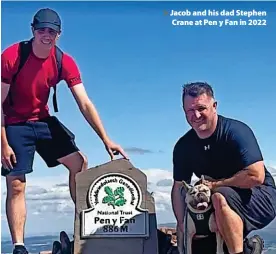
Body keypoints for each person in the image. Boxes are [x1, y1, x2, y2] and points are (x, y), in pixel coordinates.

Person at [1, 8, 128, 254]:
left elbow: (84, 103)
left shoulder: (63, 61)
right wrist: (2, 144)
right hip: (13, 122)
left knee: (79, 162)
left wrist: (105, 139)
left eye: (52, 31)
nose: (46, 35)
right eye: (41, 30)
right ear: (32, 30)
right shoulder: (11, 56)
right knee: (16, 182)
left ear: (59, 34)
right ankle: (18, 246)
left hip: (43, 119)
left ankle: (84, 227)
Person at [171, 82, 276, 254]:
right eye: (189, 110)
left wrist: (216, 185)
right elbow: (178, 188)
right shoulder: (184, 146)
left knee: (220, 196)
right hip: (218, 202)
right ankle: (250, 247)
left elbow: (256, 176)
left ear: (214, 106)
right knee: (203, 246)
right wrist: (183, 225)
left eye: (201, 108)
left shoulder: (236, 131)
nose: (195, 115)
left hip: (261, 195)